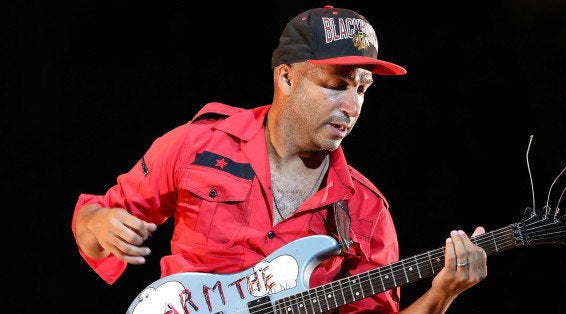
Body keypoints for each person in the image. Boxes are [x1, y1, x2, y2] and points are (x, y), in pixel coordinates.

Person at [72, 5, 488, 313]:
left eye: (361, 89)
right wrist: (99, 223)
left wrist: (441, 295)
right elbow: (93, 225)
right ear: (286, 77)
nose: (351, 105)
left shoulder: (366, 210)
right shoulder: (196, 145)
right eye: (335, 84)